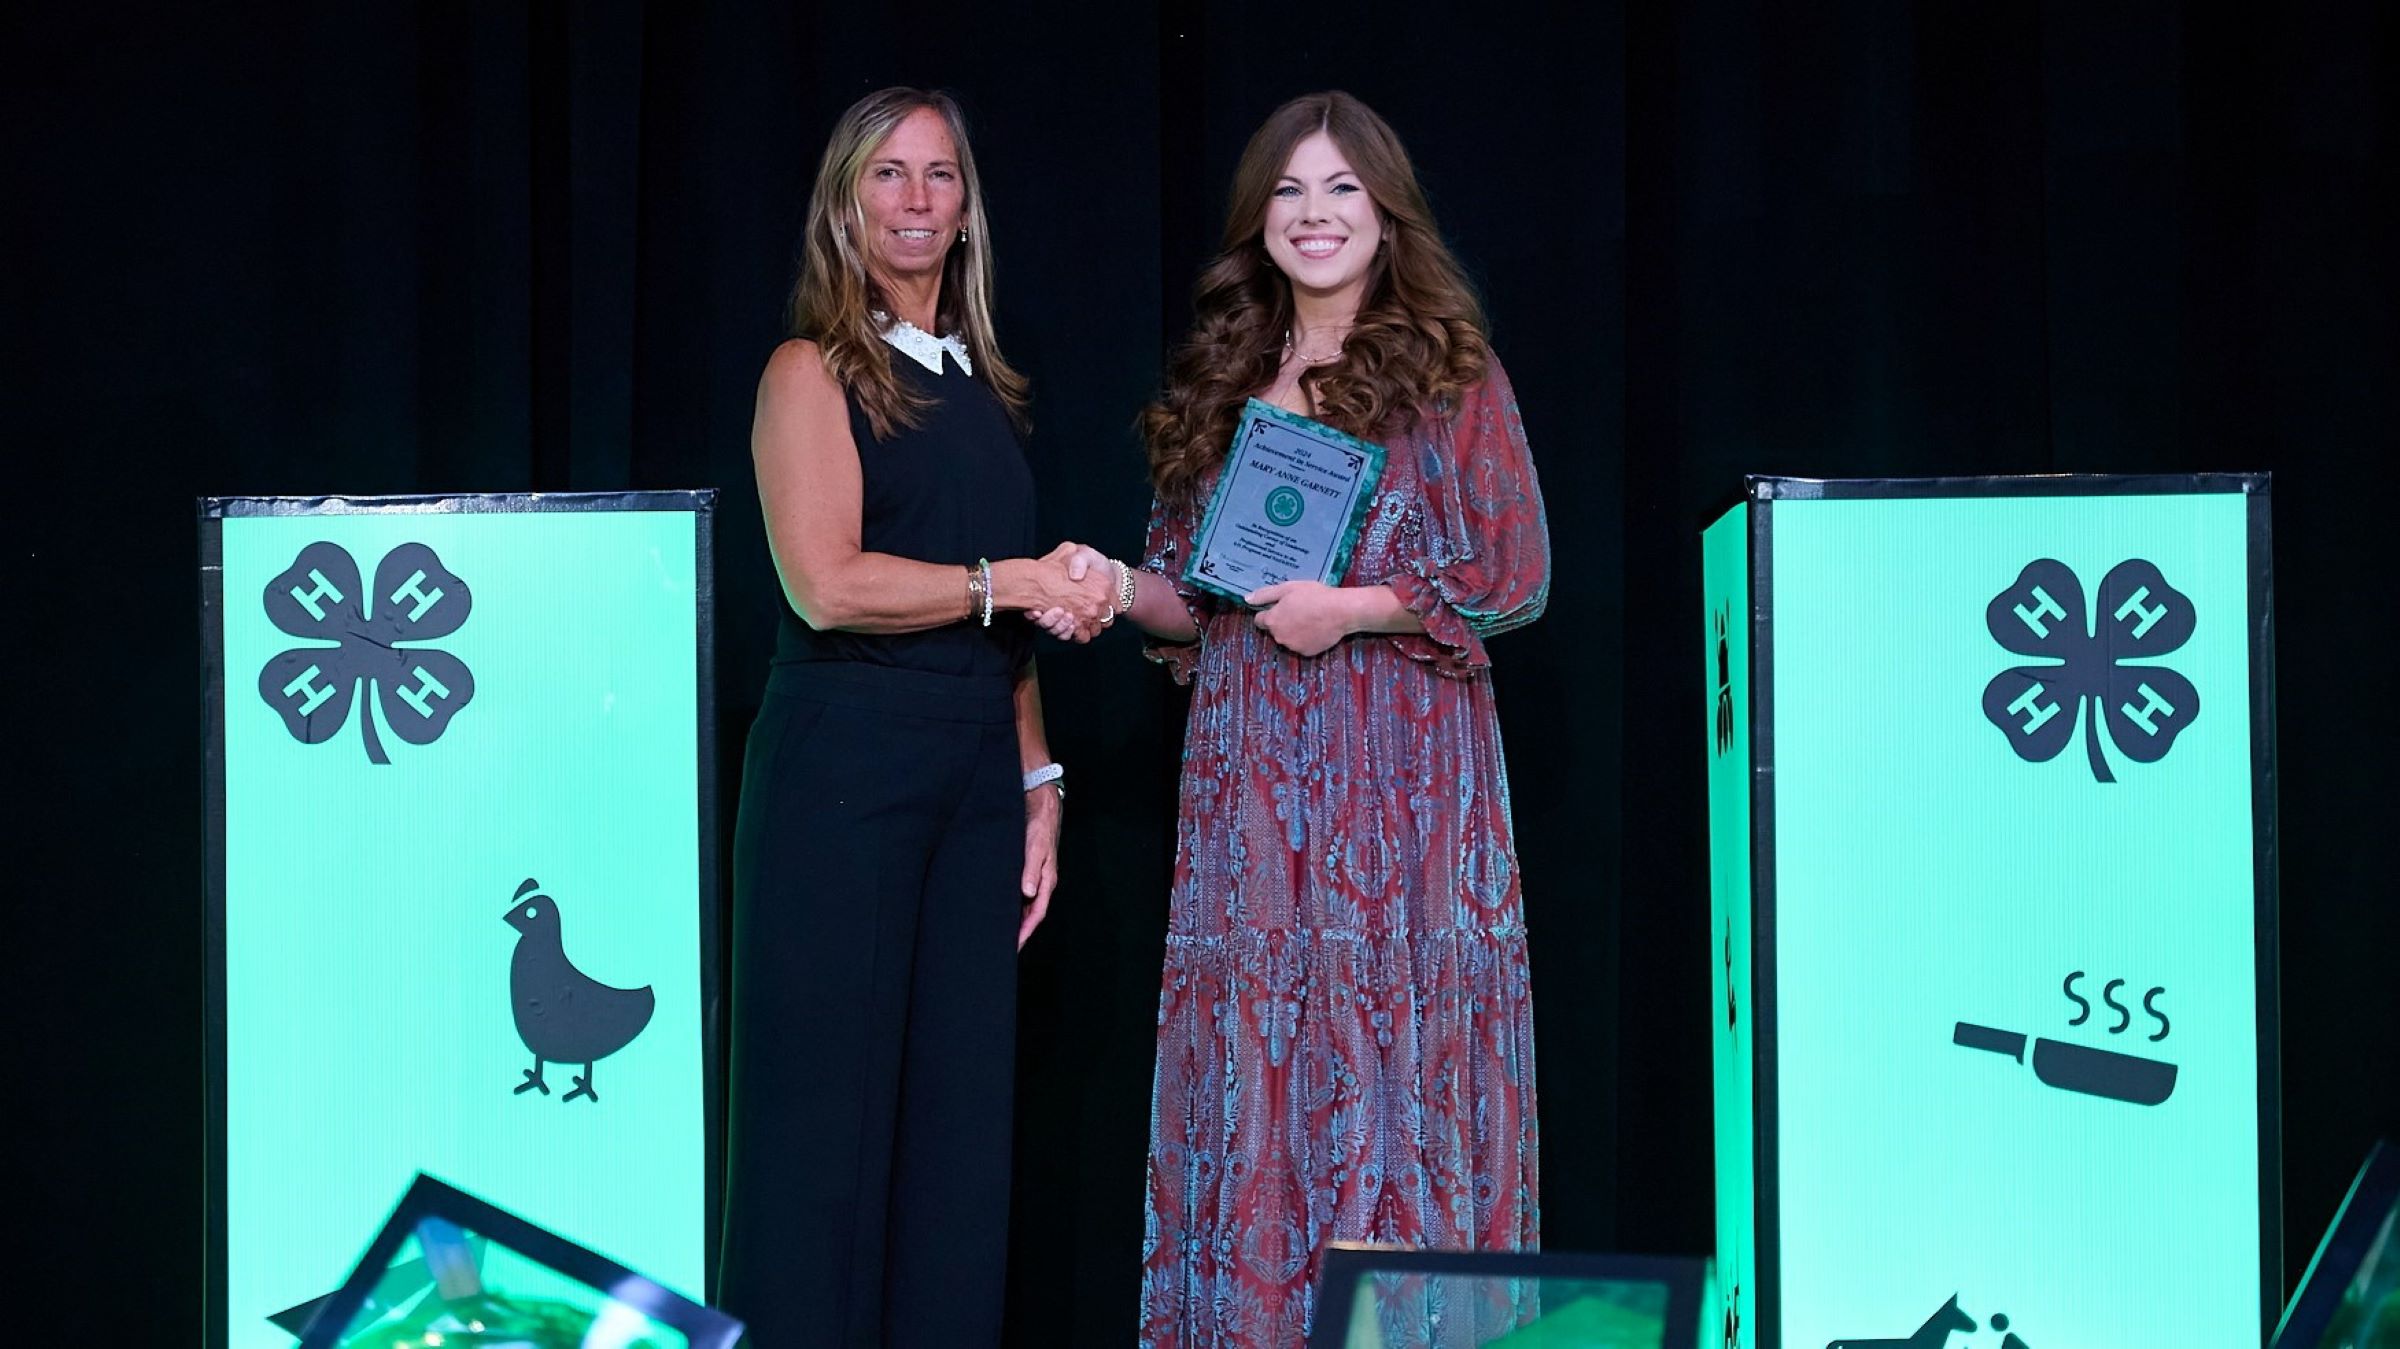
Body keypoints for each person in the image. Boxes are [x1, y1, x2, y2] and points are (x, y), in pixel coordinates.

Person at [1040, 90, 1549, 1347]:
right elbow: (1193, 598)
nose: (1314, 216)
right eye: (1288, 192)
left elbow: (1518, 573)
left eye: (1340, 192)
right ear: (1257, 219)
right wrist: (1114, 587)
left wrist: (1358, 607)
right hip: (1255, 786)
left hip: (1413, 788)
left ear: (1386, 215)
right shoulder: (1225, 376)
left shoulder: (1450, 369)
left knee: (1406, 1079)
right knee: (1259, 1086)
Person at [717, 86, 1114, 1347]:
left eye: (940, 176)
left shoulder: (985, 387)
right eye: (889, 174)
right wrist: (1014, 582)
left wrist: (1039, 780)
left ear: (966, 209)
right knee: (820, 1134)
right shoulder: (812, 369)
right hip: (844, 763)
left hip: (968, 779)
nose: (917, 199)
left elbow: (1010, 621)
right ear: (846, 200)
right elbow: (826, 583)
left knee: (955, 1136)